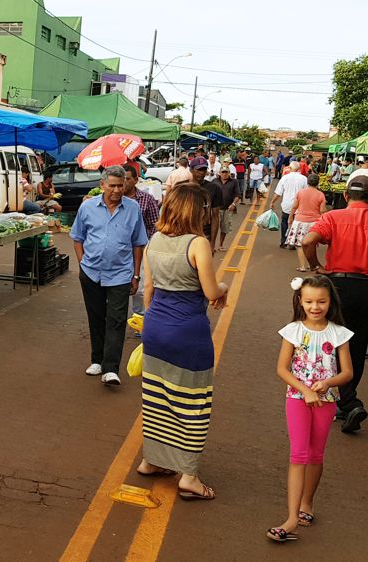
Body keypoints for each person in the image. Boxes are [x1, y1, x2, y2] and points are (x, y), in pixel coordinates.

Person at [136, 183, 228, 500]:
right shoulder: (197, 244)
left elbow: (147, 289)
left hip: (156, 327)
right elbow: (212, 292)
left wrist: (153, 322)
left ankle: (152, 460)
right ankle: (188, 475)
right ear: (195, 210)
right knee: (193, 402)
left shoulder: (155, 240)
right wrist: (225, 286)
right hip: (188, 331)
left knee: (158, 397)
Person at [301, 175, 368, 433]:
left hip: (339, 287)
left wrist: (316, 267)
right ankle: (347, 400)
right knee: (357, 344)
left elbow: (307, 240)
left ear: (346, 195)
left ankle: (347, 401)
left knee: (333, 341)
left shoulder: (333, 217)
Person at [268, 276, 353, 543]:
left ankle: (307, 503)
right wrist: (305, 390)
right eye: (309, 301)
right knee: (299, 454)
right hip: (296, 398)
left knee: (316, 455)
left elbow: (347, 372)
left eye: (321, 301)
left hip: (326, 401)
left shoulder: (339, 333)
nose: (315, 307)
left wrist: (327, 383)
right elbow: (282, 368)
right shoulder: (292, 330)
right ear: (300, 301)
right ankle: (292, 518)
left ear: (330, 302)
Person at [71, 165, 148, 386]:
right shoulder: (87, 208)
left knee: (116, 320)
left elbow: (138, 243)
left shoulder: (133, 208)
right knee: (96, 317)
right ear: (102, 185)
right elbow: (77, 237)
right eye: (112, 185)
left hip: (121, 275)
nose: (116, 190)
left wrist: (136, 276)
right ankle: (97, 360)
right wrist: (82, 264)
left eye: (120, 185)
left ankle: (111, 368)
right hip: (91, 273)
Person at [125, 166, 160, 315]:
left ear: (136, 180)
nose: (124, 182)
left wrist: (148, 247)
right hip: (121, 252)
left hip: (142, 250)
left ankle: (140, 318)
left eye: (127, 179)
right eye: (122, 179)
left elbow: (155, 225)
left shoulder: (147, 199)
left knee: (140, 288)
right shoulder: (113, 200)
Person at [286, 174, 327, 271]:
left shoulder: (300, 193)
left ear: (307, 182)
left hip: (300, 221)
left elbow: (294, 206)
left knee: (299, 244)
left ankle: (302, 266)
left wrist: (291, 216)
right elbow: (322, 211)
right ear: (318, 183)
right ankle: (311, 264)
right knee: (311, 244)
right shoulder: (320, 195)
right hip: (314, 223)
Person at [269, 161, 308, 249]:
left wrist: (272, 202)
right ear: (299, 169)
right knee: (296, 224)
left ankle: (283, 241)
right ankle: (292, 242)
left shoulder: (285, 178)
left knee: (285, 222)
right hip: (299, 205)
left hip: (287, 205)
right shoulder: (304, 179)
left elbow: (278, 193)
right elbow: (307, 193)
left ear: (290, 168)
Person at [212, 167, 240, 253]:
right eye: (223, 172)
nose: (224, 174)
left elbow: (237, 194)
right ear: (220, 173)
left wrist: (233, 204)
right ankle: (212, 245)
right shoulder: (214, 181)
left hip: (228, 208)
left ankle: (220, 245)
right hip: (216, 209)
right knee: (213, 228)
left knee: (225, 228)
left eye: (226, 172)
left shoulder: (234, 181)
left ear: (229, 173)